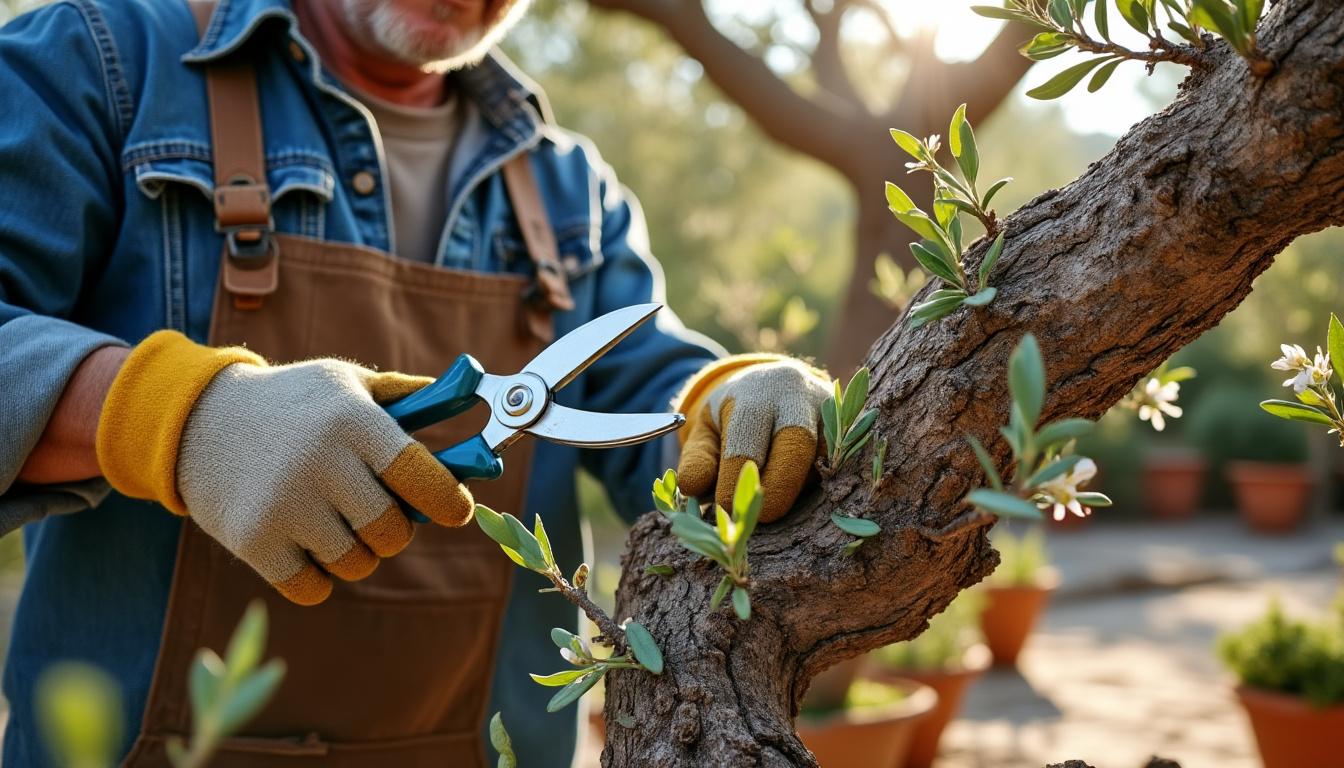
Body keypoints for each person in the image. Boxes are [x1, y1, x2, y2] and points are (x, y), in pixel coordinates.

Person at [0, 0, 834, 765]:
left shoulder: (569, 188)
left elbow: (656, 404)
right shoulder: (96, 63)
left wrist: (742, 397)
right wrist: (175, 419)